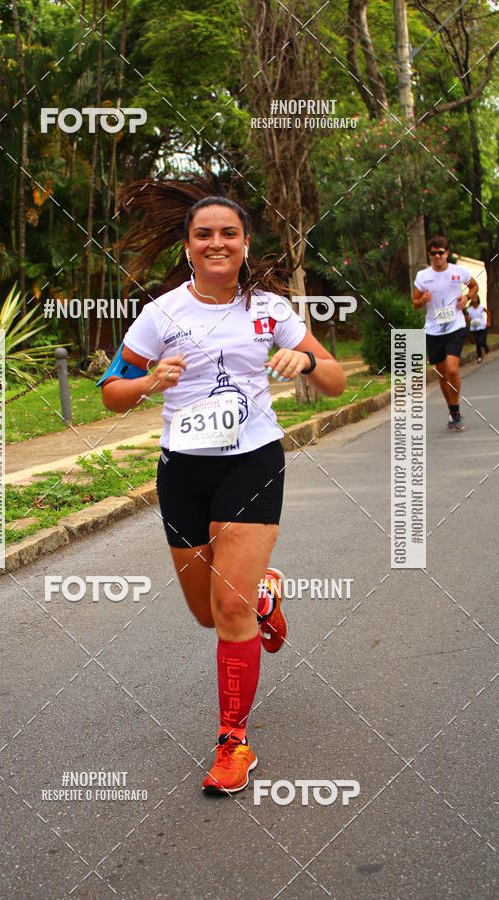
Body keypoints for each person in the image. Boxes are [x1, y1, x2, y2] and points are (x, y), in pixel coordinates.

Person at [99, 178, 346, 795]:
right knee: (207, 612)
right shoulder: (161, 315)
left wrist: (308, 362)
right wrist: (151, 380)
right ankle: (264, 594)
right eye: (203, 234)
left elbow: (337, 379)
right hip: (183, 470)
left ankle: (232, 742)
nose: (216, 243)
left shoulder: (271, 309)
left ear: (243, 243)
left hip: (252, 461)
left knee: (228, 609)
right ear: (188, 246)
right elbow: (111, 393)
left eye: (228, 233)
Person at [413, 235, 479, 431]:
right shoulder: (422, 277)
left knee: (452, 369)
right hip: (433, 329)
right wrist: (422, 300)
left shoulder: (459, 272)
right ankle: (451, 409)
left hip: (455, 326)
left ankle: (457, 411)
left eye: (441, 253)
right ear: (429, 254)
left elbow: (474, 286)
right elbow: (415, 303)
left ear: (447, 253)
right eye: (433, 253)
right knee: (442, 375)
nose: (437, 256)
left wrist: (467, 297)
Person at [466, 294, 490, 363]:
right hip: (474, 328)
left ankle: (486, 347)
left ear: (478, 299)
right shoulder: (469, 309)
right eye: (473, 297)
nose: (474, 298)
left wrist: (488, 322)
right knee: (478, 343)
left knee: (482, 341)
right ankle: (479, 357)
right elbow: (468, 318)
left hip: (482, 327)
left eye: (475, 297)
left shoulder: (481, 307)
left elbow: (488, 313)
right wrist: (468, 319)